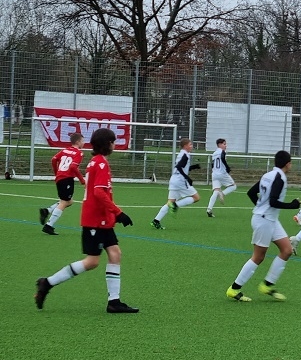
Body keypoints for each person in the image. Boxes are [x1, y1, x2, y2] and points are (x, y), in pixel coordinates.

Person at [34, 128, 138, 313]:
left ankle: (114, 302)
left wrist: (113, 215)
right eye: (113, 142)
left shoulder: (96, 161)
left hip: (102, 220)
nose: (114, 145)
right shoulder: (100, 163)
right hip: (95, 221)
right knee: (92, 262)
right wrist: (118, 213)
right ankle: (47, 283)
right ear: (107, 144)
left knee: (115, 254)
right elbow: (99, 193)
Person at [226, 150, 301, 302]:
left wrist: (261, 208)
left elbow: (251, 193)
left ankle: (267, 285)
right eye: (291, 163)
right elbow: (273, 201)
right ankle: (234, 289)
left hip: (269, 219)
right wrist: (292, 205)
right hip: (264, 221)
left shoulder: (268, 175)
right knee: (258, 257)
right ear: (288, 164)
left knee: (287, 250)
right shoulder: (280, 178)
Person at [40, 132, 87, 235]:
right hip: (67, 179)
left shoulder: (65, 150)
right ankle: (49, 226)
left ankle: (47, 211)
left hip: (60, 178)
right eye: (83, 141)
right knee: (65, 202)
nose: (84, 143)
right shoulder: (79, 153)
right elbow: (73, 167)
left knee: (69, 201)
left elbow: (54, 159)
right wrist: (82, 180)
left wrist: (56, 173)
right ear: (78, 142)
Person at [152, 137, 201, 229]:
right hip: (180, 181)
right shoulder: (185, 155)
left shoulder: (181, 154)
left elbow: (181, 167)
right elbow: (179, 167)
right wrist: (187, 177)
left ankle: (156, 220)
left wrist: (193, 167)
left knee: (170, 202)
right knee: (196, 197)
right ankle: (175, 206)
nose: (191, 146)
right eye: (190, 144)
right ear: (185, 146)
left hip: (174, 180)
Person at [206, 138, 236, 217]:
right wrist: (227, 167)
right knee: (233, 186)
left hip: (214, 174)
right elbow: (222, 158)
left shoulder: (214, 153)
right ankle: (222, 193)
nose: (226, 146)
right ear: (219, 145)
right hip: (222, 173)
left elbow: (212, 164)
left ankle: (209, 209)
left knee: (216, 191)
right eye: (224, 144)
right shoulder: (222, 151)